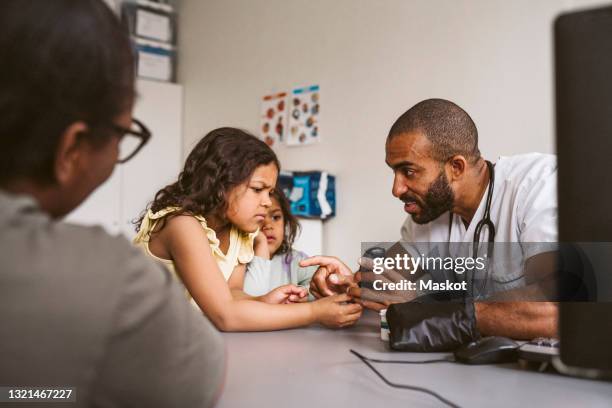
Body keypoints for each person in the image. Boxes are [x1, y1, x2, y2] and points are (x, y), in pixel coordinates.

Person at [0, 1, 225, 407]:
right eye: (124, 135)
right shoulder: (117, 269)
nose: (267, 201)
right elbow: (202, 378)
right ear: (72, 148)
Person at [302, 98, 559, 340]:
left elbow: (556, 308)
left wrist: (425, 311)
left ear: (456, 168)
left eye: (409, 171)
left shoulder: (540, 185)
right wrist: (351, 287)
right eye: (394, 172)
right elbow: (388, 279)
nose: (396, 189)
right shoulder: (431, 211)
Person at [133, 128, 362, 331]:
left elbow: (232, 294)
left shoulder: (239, 232)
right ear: (220, 184)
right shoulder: (182, 225)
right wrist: (314, 312)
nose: (266, 201)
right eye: (257, 189)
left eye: (270, 192)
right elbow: (225, 315)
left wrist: (263, 301)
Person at [243, 189, 316, 297]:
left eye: (276, 217)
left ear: (285, 221)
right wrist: (260, 245)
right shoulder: (236, 262)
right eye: (259, 218)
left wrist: (303, 295)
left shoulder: (296, 260)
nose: (268, 225)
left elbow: (320, 288)